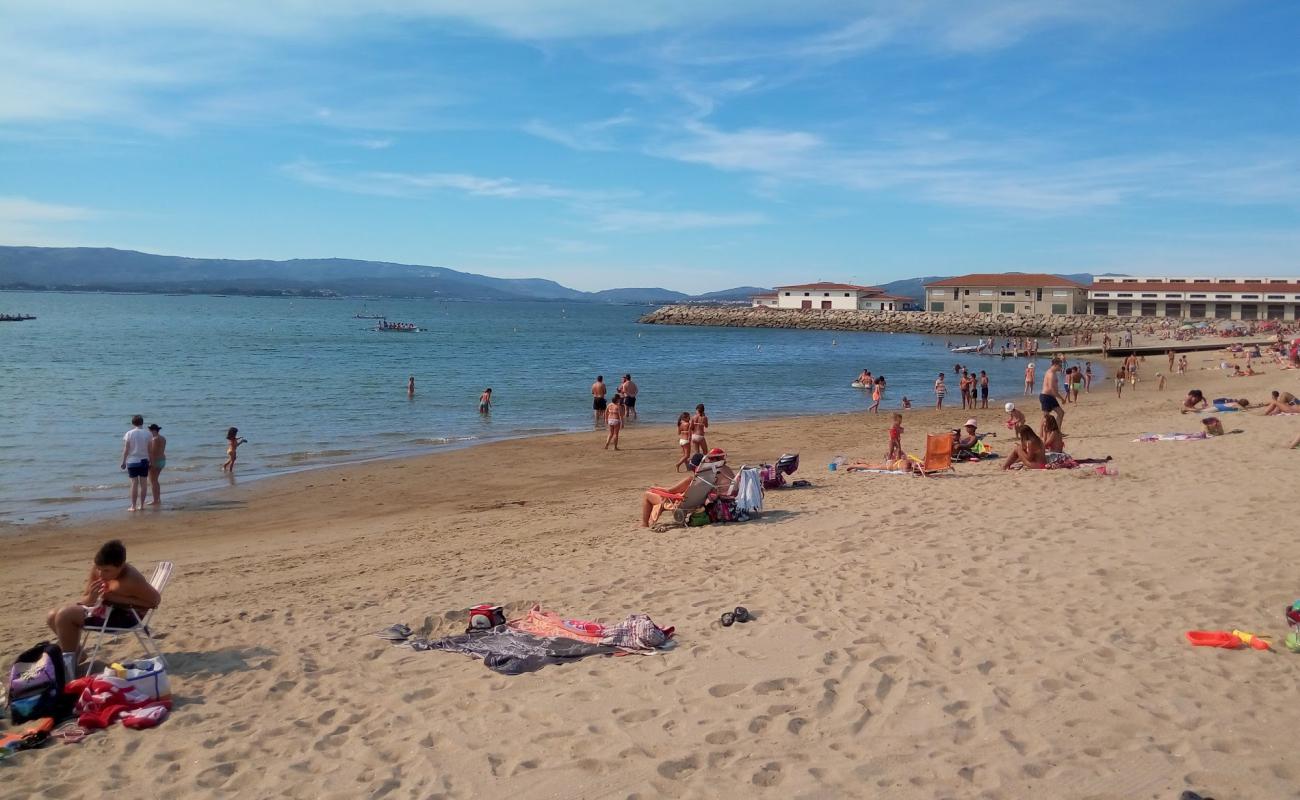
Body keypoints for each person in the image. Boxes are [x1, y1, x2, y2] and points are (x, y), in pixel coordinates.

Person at [46, 540, 160, 677]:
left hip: (125, 615)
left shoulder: (131, 579)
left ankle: (69, 672)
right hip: (103, 608)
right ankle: (78, 654)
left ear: (121, 566)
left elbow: (154, 601)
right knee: (52, 616)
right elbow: (86, 598)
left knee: (65, 615)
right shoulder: (98, 570)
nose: (100, 574)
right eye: (99, 568)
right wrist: (91, 598)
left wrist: (116, 599)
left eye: (106, 570)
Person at [640, 450, 734, 527]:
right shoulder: (710, 479)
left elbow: (669, 491)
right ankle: (652, 521)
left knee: (647, 495)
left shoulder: (690, 480)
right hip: (696, 504)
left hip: (681, 505)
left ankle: (644, 524)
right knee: (661, 498)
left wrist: (654, 488)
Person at [121, 415, 151, 512]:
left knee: (134, 484)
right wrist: (151, 460)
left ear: (133, 423)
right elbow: (150, 449)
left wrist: (123, 461)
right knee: (143, 484)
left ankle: (133, 506)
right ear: (142, 422)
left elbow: (126, 449)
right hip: (144, 461)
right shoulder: (148, 434)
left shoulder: (129, 433)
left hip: (132, 461)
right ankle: (141, 505)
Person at [1039, 357, 1066, 433]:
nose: (1061, 367)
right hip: (1046, 397)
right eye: (1060, 365)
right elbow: (1051, 389)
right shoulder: (1050, 374)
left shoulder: (1053, 373)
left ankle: (1057, 432)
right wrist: (1061, 398)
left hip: (1051, 397)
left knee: (1061, 413)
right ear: (1055, 365)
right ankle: (1041, 434)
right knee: (1046, 417)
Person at [147, 423, 166, 507]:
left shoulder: (155, 439)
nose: (149, 432)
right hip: (162, 460)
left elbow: (153, 452)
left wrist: (151, 462)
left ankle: (155, 500)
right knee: (156, 480)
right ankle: (158, 499)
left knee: (153, 481)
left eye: (150, 430)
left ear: (153, 430)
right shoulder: (163, 438)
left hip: (156, 460)